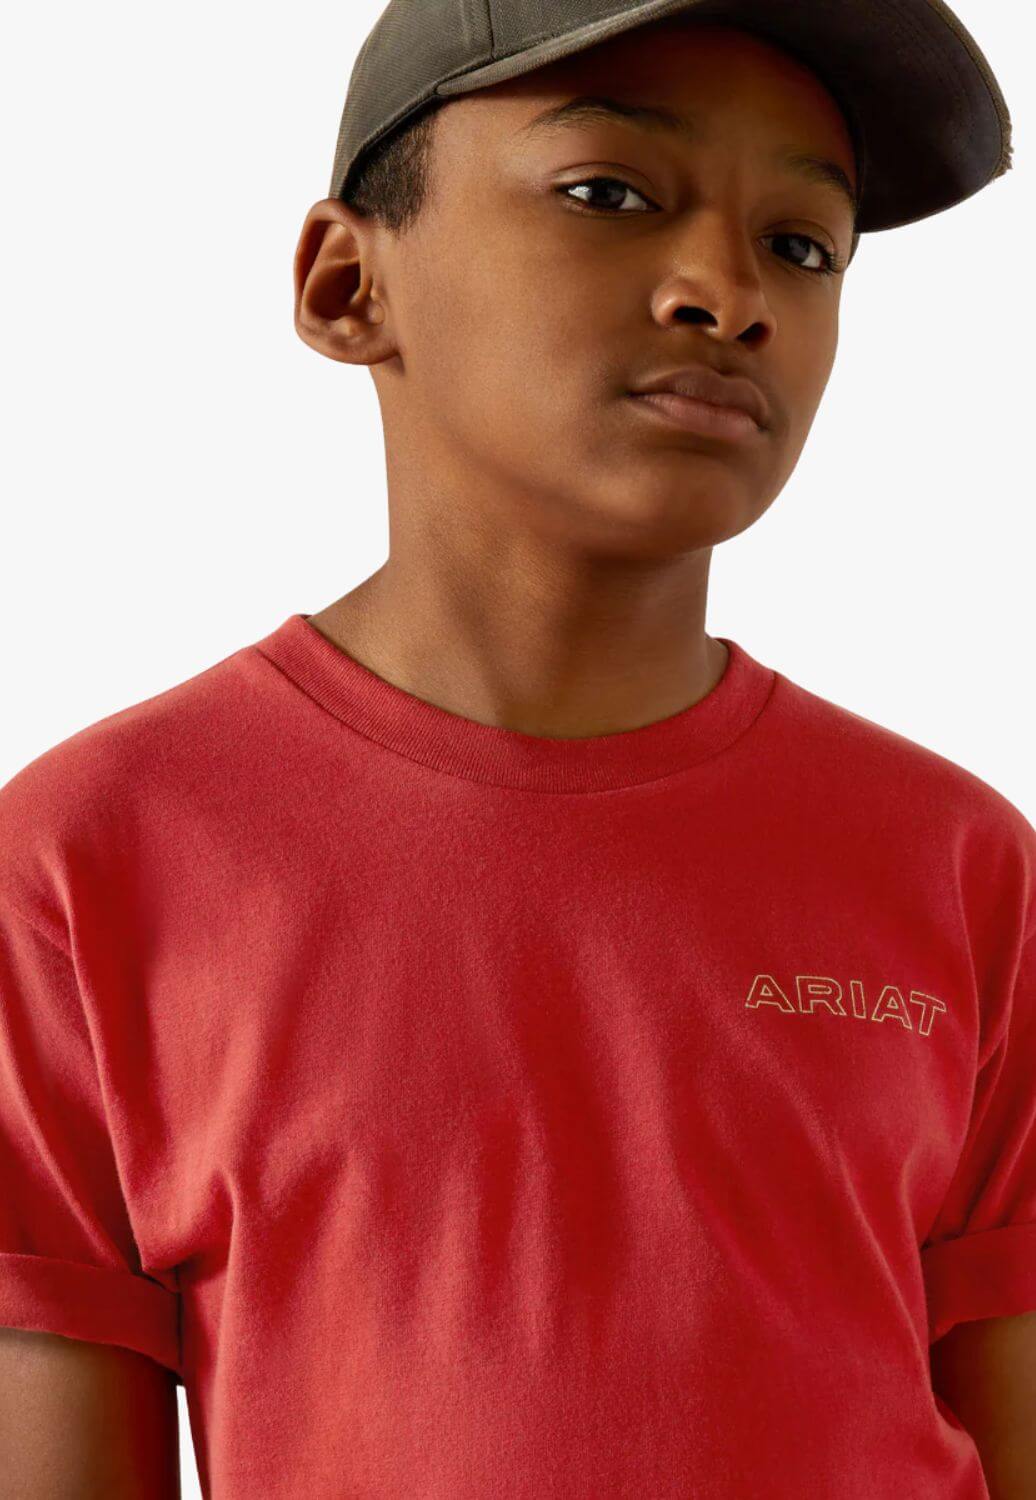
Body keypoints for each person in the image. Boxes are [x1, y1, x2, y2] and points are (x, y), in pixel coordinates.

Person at [1, 2, 1031, 1496]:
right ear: (349, 283)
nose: (730, 293)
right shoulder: (89, 863)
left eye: (804, 245)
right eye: (609, 192)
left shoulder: (960, 865)